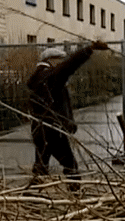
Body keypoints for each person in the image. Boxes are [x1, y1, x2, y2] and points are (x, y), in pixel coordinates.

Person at [27, 40, 109, 191]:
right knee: (70, 165)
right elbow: (69, 66)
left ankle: (31, 195)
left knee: (41, 166)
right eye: (59, 60)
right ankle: (75, 195)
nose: (61, 63)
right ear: (50, 60)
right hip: (53, 130)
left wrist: (69, 122)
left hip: (40, 130)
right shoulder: (50, 77)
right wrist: (88, 49)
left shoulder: (39, 78)